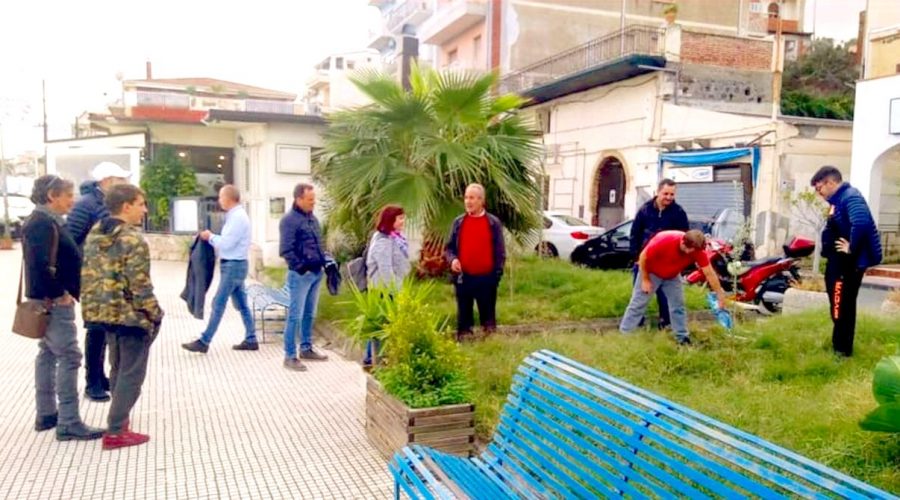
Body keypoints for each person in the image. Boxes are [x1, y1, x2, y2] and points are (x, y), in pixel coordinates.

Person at [81, 184, 164, 450]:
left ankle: (119, 423)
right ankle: (116, 431)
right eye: (141, 204)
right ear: (126, 206)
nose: (144, 209)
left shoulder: (96, 232)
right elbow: (140, 285)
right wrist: (153, 311)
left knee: (117, 367)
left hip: (102, 313)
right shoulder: (132, 239)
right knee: (131, 373)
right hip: (130, 316)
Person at [22, 175, 104, 441]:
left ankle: (46, 414)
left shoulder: (45, 221)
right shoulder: (42, 223)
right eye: (67, 195)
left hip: (49, 299)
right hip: (53, 302)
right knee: (69, 356)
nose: (72, 200)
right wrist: (60, 294)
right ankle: (69, 421)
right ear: (51, 197)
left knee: (47, 353)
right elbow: (40, 266)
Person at [67, 161, 131, 402]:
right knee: (95, 328)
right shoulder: (86, 205)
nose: (123, 184)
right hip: (93, 278)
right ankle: (92, 381)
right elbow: (70, 240)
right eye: (120, 180)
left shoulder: (103, 203)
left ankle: (99, 374)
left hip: (107, 277)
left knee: (104, 327)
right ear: (106, 181)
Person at [811, 166, 882, 357]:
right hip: (838, 262)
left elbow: (862, 222)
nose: (819, 193)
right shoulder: (839, 200)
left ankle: (842, 350)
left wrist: (850, 247)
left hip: (847, 264)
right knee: (840, 305)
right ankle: (839, 344)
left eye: (819, 188)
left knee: (842, 305)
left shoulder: (850, 196)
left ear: (831, 182)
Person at [182, 185, 258, 354]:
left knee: (218, 303)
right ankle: (251, 338)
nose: (219, 200)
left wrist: (210, 237)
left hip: (233, 265)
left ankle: (204, 340)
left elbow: (227, 243)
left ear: (229, 198)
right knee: (242, 304)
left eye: (221, 197)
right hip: (236, 265)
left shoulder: (237, 217)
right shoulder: (235, 216)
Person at [620, 229, 727, 345]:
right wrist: (645, 279)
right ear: (682, 242)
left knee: (678, 305)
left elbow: (709, 273)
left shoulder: (697, 250)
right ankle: (625, 335)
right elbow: (643, 258)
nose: (690, 253)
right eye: (688, 249)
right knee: (638, 303)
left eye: (693, 251)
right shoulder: (664, 240)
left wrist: (720, 294)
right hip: (651, 272)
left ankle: (682, 337)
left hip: (672, 275)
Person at [445, 183, 506, 341]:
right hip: (463, 278)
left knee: (488, 317)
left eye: (471, 198)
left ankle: (490, 343)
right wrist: (453, 260)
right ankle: (465, 340)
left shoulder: (493, 223)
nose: (467, 201)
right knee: (464, 317)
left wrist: (496, 275)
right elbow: (449, 249)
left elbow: (500, 252)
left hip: (487, 278)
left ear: (481, 200)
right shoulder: (458, 223)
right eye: (466, 197)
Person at [279, 183, 330, 371]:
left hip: (316, 273)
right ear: (298, 199)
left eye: (314, 200)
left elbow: (318, 243)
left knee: (310, 313)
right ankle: (290, 355)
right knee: (295, 316)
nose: (313, 203)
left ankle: (306, 347)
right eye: (310, 200)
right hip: (301, 275)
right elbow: (286, 250)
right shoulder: (289, 221)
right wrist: (301, 268)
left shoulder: (312, 219)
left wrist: (325, 262)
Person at [629, 178, 689, 330]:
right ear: (658, 192)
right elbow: (635, 234)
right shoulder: (645, 210)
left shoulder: (679, 212)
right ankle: (636, 325)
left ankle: (666, 324)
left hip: (667, 264)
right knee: (640, 297)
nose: (669, 197)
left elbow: (685, 238)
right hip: (645, 261)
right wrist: (636, 258)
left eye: (672, 194)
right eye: (666, 193)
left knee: (666, 298)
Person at [363, 205, 410, 367]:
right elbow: (385, 269)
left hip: (390, 287)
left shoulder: (394, 237)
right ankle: (375, 359)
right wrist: (396, 293)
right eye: (400, 218)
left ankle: (370, 357)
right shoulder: (383, 240)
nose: (403, 221)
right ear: (391, 220)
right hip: (383, 290)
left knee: (380, 324)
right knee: (381, 324)